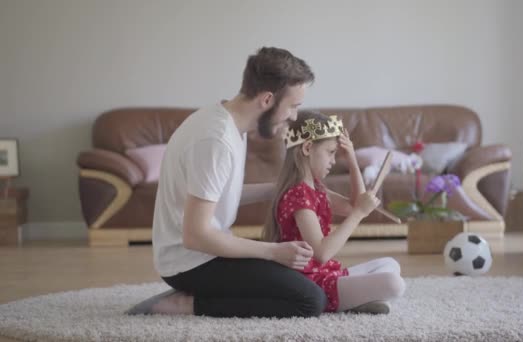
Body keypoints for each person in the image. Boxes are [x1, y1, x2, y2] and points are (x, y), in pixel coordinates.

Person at [126, 47, 327, 318]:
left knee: (300, 274)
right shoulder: (216, 140)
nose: (293, 116)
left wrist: (279, 190)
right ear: (268, 99)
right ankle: (186, 305)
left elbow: (216, 195)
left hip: (203, 253)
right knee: (310, 301)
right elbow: (196, 235)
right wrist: (272, 252)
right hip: (190, 263)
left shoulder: (228, 123)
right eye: (293, 106)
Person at [263, 111, 406, 314]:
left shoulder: (317, 189)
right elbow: (321, 253)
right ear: (307, 147)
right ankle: (355, 302)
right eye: (330, 152)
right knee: (394, 284)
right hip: (311, 283)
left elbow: (353, 204)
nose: (333, 161)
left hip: (327, 275)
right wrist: (359, 214)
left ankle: (358, 301)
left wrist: (352, 159)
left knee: (390, 264)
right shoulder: (298, 195)